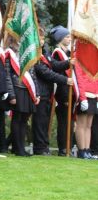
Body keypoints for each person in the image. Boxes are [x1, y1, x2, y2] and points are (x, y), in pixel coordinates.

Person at [31, 28, 70, 156]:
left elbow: (54, 65)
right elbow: (45, 72)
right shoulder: (34, 53)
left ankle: (44, 146)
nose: (42, 41)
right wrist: (65, 79)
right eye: (40, 38)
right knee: (40, 120)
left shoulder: (45, 52)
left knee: (45, 120)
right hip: (39, 90)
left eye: (43, 38)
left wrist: (69, 62)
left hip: (47, 91)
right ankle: (39, 147)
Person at [49, 26, 74, 155]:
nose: (70, 39)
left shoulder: (70, 54)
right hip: (62, 91)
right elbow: (56, 68)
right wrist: (64, 97)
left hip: (71, 90)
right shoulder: (57, 53)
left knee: (70, 121)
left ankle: (69, 146)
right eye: (67, 37)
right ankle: (63, 147)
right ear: (60, 39)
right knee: (63, 122)